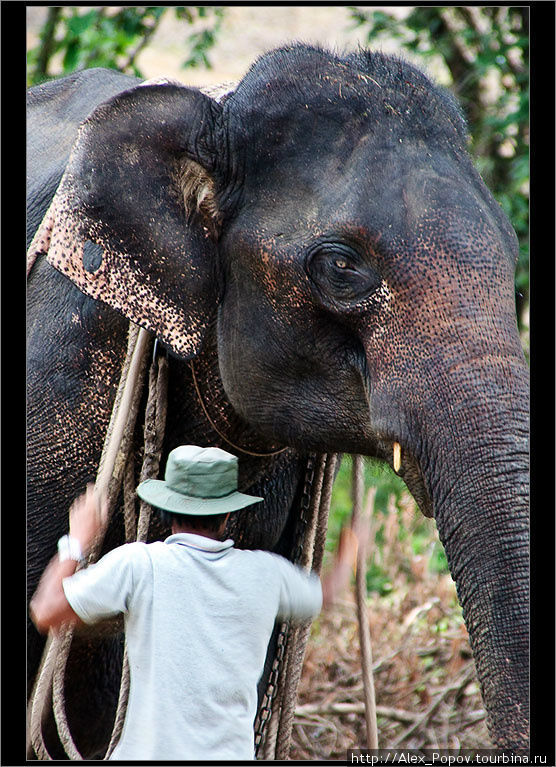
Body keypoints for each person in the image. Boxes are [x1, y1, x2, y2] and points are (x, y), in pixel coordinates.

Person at [29, 445, 325, 761]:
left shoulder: (138, 566)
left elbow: (46, 611)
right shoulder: (268, 573)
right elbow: (320, 596)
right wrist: (349, 555)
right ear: (228, 514)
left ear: (165, 510)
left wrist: (76, 541)